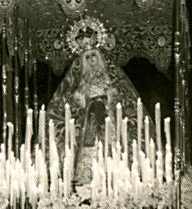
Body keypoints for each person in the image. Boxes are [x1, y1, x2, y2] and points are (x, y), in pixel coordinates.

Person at [47, 24, 153, 184]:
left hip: (107, 118)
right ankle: (86, 178)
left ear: (99, 57)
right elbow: (75, 102)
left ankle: (114, 176)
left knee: (110, 145)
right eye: (87, 57)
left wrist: (109, 97)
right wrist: (81, 98)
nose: (91, 60)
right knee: (89, 147)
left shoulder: (110, 79)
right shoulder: (82, 83)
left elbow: (120, 98)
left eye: (93, 56)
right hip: (89, 119)